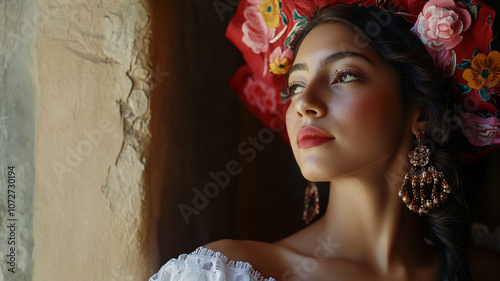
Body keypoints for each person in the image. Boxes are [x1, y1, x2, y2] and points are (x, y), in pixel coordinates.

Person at [150, 0, 500, 280]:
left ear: (419, 113)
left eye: (344, 75)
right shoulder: (224, 273)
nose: (303, 104)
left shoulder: (486, 269)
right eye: (295, 87)